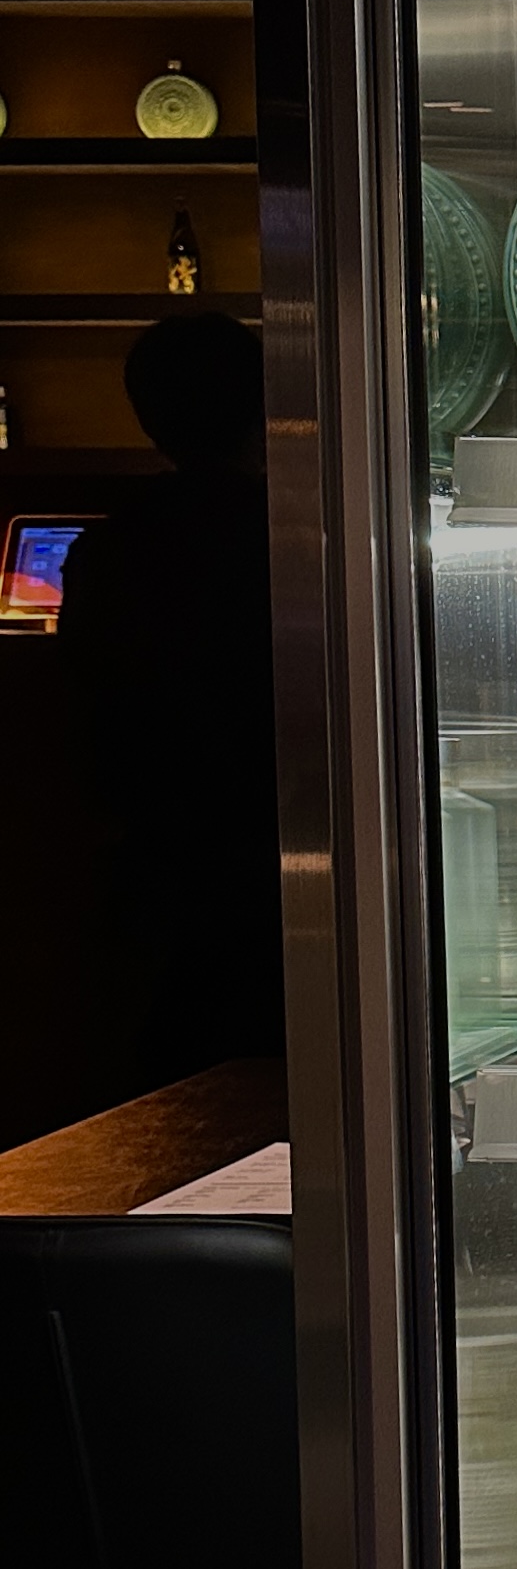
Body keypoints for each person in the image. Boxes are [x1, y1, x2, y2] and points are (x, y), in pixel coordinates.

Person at [53, 313, 283, 1102]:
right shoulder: (290, 536)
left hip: (157, 866)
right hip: (274, 856)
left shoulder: (106, 547)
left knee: (179, 1085)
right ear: (266, 406)